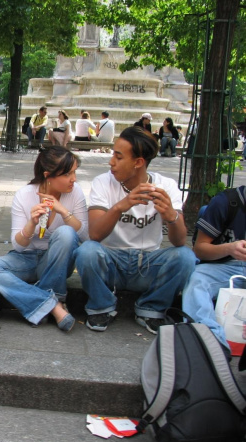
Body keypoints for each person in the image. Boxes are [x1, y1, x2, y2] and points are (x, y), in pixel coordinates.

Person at [74, 126, 196, 334]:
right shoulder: (103, 182)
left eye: (118, 157)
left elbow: (179, 242)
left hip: (148, 262)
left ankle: (151, 308)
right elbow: (94, 234)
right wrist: (123, 204)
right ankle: (101, 305)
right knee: (86, 251)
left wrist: (172, 217)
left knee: (186, 257)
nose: (111, 162)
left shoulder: (166, 185)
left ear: (138, 162)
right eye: (113, 154)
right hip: (112, 261)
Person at [0, 146, 89, 332]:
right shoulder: (25, 195)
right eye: (68, 174)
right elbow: (18, 246)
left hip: (57, 261)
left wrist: (63, 211)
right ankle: (52, 304)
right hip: (26, 258)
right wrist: (31, 223)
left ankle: (46, 302)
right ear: (48, 175)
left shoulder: (75, 192)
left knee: (67, 233)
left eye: (75, 172)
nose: (74, 179)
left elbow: (85, 236)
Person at [181, 186, 246, 359]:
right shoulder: (226, 202)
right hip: (223, 266)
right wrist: (229, 248)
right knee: (196, 281)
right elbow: (200, 249)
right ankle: (211, 339)